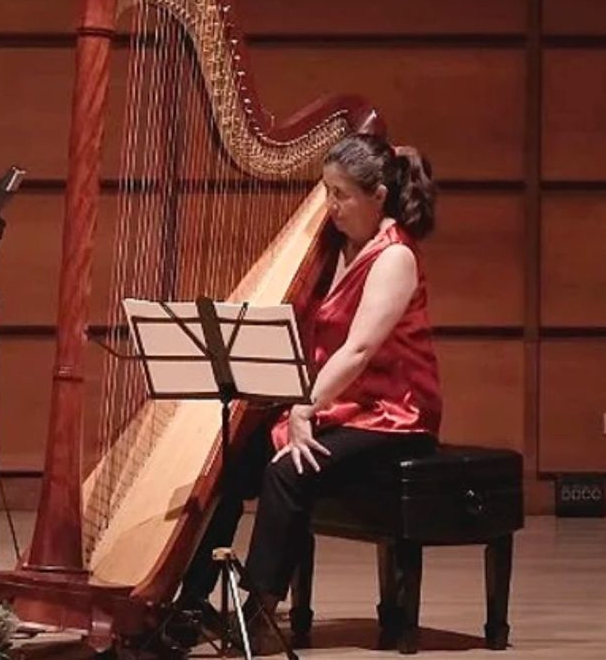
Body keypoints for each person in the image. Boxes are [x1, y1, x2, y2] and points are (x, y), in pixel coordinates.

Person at [175, 133, 442, 649]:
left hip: (392, 412)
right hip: (342, 404)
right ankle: (188, 601)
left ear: (378, 197)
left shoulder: (394, 258)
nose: (329, 205)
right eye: (326, 191)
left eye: (340, 195)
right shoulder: (333, 247)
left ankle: (260, 613)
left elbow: (359, 350)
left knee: (288, 470)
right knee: (232, 458)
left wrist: (304, 409)